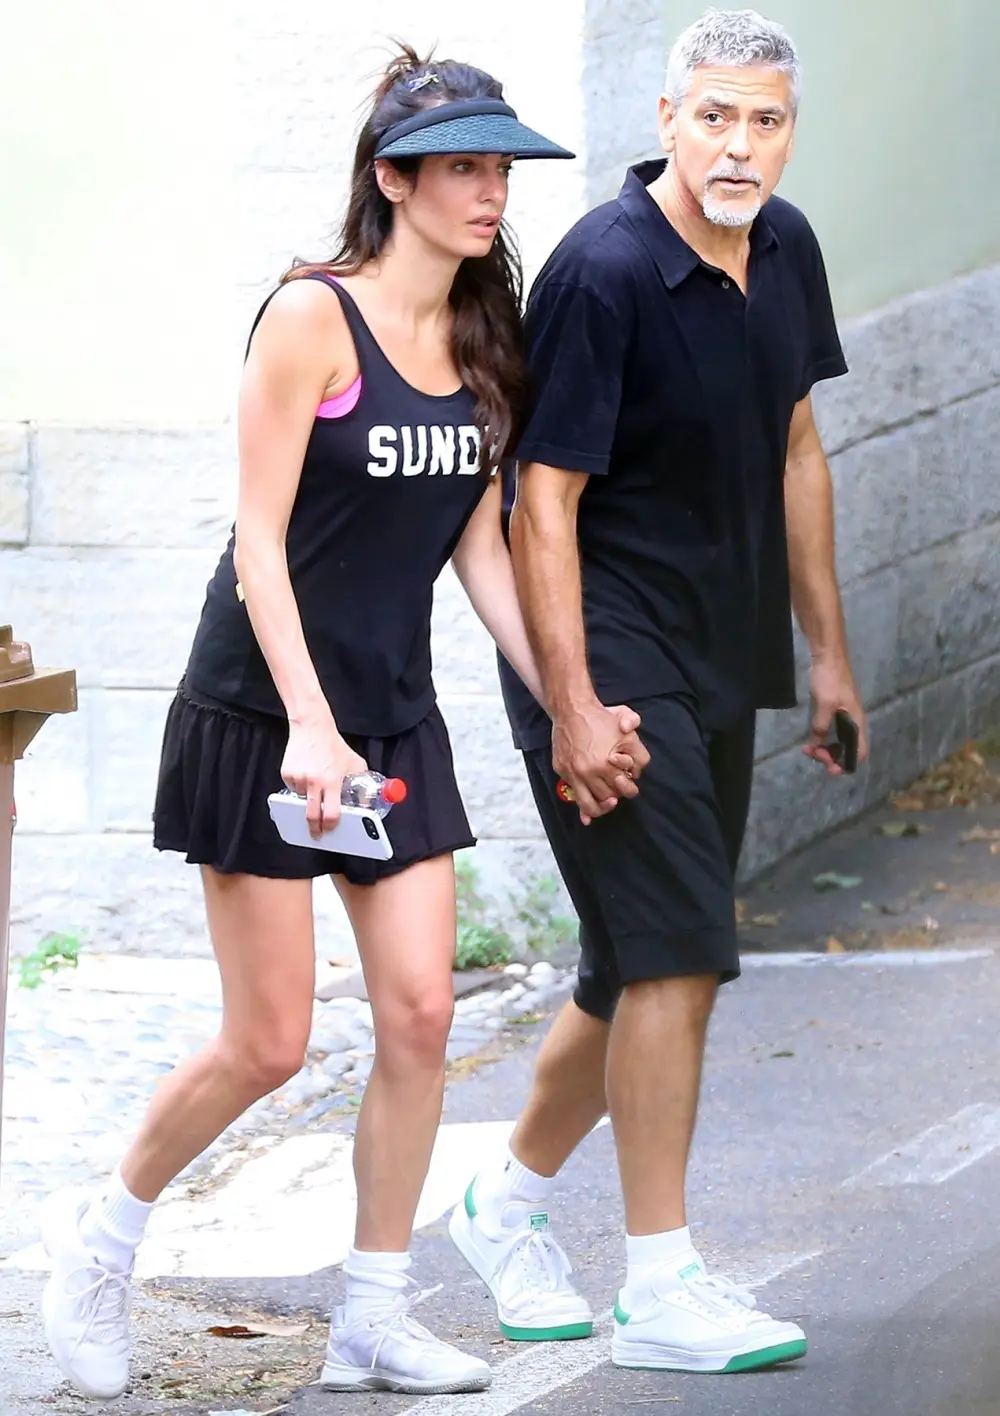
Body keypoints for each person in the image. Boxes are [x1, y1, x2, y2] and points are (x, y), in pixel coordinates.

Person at [38, 47, 637, 1402]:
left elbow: (481, 548)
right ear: (393, 179)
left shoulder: (490, 335)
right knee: (271, 1041)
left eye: (502, 169)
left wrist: (571, 701)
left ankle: (374, 1313)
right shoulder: (313, 319)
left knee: (422, 1011)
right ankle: (101, 1234)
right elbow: (256, 544)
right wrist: (308, 725)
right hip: (265, 710)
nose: (492, 193)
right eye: (465, 168)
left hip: (393, 717)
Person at [450, 8, 868, 1375]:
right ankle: (662, 1286)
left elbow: (801, 444)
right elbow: (541, 503)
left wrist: (831, 656)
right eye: (716, 117)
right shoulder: (605, 271)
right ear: (667, 123)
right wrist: (569, 703)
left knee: (635, 959)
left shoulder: (786, 248)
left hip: (717, 647)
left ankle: (503, 1207)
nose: (741, 144)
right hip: (603, 650)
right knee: (685, 953)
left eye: (766, 120)